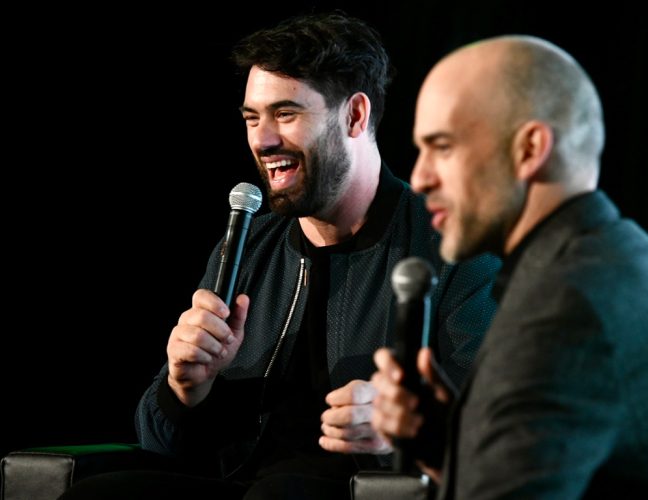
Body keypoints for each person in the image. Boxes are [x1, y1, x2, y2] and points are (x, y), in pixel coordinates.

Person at [58, 12, 500, 500]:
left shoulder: (453, 247)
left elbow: (495, 426)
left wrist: (401, 428)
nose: (263, 140)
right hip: (245, 484)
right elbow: (160, 441)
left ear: (355, 115)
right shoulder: (247, 246)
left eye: (286, 114)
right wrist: (186, 387)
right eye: (252, 117)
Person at [371, 35, 648, 499]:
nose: (420, 178)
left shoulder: (561, 312)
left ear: (529, 149)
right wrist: (454, 444)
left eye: (441, 147)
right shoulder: (644, 265)